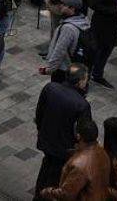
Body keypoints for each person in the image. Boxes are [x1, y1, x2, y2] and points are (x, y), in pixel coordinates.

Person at [35, 64, 93, 194]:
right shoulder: (82, 104)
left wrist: (41, 129)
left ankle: (38, 194)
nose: (86, 82)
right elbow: (84, 131)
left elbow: (39, 113)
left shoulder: (50, 88)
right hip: (64, 148)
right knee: (55, 178)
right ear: (80, 81)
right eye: (85, 79)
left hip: (46, 139)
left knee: (46, 167)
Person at [37, 117, 110, 200]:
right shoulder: (103, 152)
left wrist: (48, 191)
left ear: (78, 136)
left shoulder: (78, 166)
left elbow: (67, 194)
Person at [40, 0, 89, 80]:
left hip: (63, 70)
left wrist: (49, 70)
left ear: (72, 8)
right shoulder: (84, 21)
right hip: (75, 68)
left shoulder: (68, 28)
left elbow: (59, 51)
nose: (61, 6)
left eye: (64, 5)